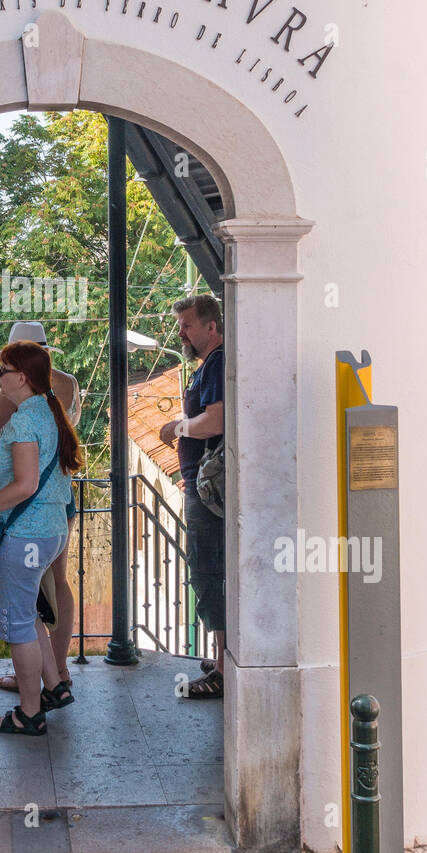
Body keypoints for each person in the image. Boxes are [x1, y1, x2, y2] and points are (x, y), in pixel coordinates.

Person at [0, 340, 83, 735]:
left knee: (19, 625)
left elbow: (24, 485)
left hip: (26, 535)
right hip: (51, 530)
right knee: (31, 616)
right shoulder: (46, 411)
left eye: (3, 371)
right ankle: (54, 688)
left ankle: (28, 713)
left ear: (21, 377)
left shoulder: (24, 420)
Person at [159, 294, 225, 698]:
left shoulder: (217, 363)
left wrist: (179, 428)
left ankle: (222, 668)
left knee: (206, 571)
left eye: (187, 324)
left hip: (208, 493)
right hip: (202, 486)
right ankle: (223, 656)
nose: (181, 332)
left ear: (211, 327)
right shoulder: (211, 365)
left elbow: (216, 419)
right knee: (209, 569)